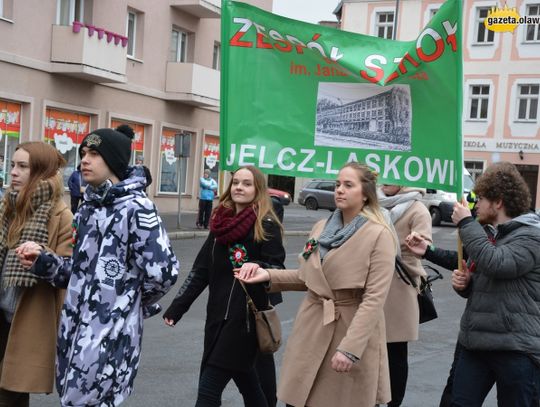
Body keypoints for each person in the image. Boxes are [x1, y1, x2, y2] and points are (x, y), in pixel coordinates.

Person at [16, 125, 179, 407]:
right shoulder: (89, 207)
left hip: (109, 335)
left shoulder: (137, 208)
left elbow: (163, 274)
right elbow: (77, 273)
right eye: (82, 153)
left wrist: (127, 304)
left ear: (114, 161)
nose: (84, 160)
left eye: (94, 153)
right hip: (74, 331)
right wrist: (44, 261)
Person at [236, 162, 397, 407]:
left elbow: (374, 299)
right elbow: (307, 278)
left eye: (348, 185)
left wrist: (350, 349)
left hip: (348, 331)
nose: (340, 190)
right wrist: (267, 275)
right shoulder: (322, 227)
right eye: (337, 184)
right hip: (312, 329)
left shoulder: (379, 235)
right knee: (298, 400)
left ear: (365, 194)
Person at [163, 165, 285, 407]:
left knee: (208, 389)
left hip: (246, 322)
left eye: (247, 183)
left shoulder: (266, 224)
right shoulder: (220, 224)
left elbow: (278, 268)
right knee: (249, 383)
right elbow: (201, 271)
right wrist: (178, 307)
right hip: (218, 317)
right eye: (236, 182)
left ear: (258, 189)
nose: (239, 187)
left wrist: (259, 267)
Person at [449, 161, 540, 406]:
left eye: (481, 198)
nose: (475, 204)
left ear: (498, 202)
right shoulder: (493, 233)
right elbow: (491, 280)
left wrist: (466, 223)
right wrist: (468, 284)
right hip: (476, 344)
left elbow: (497, 264)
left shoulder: (532, 235)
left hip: (515, 348)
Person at [0, 142, 72, 406]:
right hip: (2, 317)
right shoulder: (7, 207)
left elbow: (68, 273)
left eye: (22, 166)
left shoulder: (61, 216)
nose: (14, 173)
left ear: (40, 172)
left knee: (9, 394)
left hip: (27, 321)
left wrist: (42, 257)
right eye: (12, 165)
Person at [378, 184, 432, 407]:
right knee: (368, 347)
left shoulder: (417, 208)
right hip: (373, 283)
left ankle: (394, 401)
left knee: (395, 352)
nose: (387, 181)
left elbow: (426, 245)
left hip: (401, 285)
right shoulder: (373, 201)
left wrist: (417, 241)